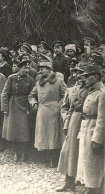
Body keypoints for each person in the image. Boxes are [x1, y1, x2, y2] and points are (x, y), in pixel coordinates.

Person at [28, 60, 67, 168]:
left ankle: (54, 159)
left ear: (49, 69)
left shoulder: (58, 81)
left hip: (54, 111)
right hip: (42, 111)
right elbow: (31, 96)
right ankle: (45, 156)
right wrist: (34, 103)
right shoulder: (38, 83)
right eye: (39, 69)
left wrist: (60, 104)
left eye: (43, 68)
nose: (40, 71)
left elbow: (66, 95)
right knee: (43, 134)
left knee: (53, 135)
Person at [56, 64, 88, 192]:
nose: (78, 76)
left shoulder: (94, 90)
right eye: (76, 73)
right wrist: (66, 123)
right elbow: (67, 108)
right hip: (74, 122)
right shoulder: (72, 90)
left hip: (86, 122)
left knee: (85, 153)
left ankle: (88, 184)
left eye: (81, 73)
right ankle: (69, 181)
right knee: (70, 152)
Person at [77, 65, 104, 194]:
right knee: (88, 162)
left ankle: (95, 189)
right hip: (87, 128)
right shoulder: (92, 91)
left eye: (87, 77)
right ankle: (91, 188)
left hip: (94, 132)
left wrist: (97, 139)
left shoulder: (102, 94)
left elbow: (102, 119)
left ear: (96, 77)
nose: (85, 79)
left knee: (95, 164)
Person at [1, 60, 35, 160]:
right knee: (14, 130)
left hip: (25, 105)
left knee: (24, 130)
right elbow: (5, 93)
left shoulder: (30, 80)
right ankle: (15, 151)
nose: (26, 70)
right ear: (20, 68)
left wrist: (30, 108)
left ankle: (24, 151)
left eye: (28, 68)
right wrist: (5, 108)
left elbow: (32, 94)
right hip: (13, 105)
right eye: (24, 68)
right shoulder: (12, 78)